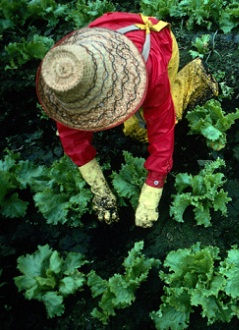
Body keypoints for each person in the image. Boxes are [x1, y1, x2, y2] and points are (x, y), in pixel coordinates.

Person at [36, 12, 219, 228]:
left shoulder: (147, 67)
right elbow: (71, 134)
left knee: (139, 130)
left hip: (161, 48)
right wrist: (100, 191)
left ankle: (192, 79)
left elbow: (162, 129)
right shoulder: (69, 71)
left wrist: (152, 192)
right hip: (121, 46)